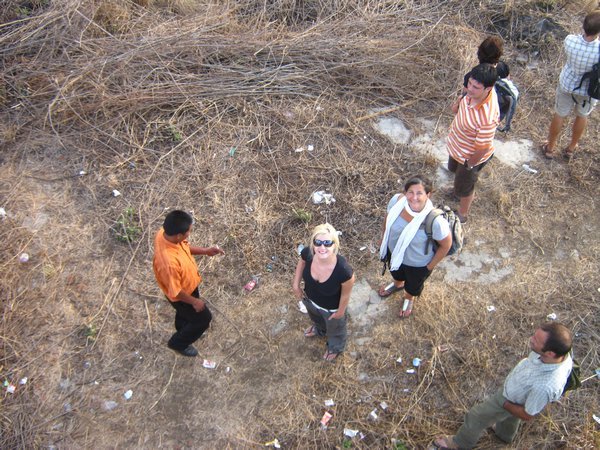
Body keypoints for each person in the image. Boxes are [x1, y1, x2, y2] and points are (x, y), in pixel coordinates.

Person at [433, 322, 574, 449]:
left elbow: (527, 414)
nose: (531, 339)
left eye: (536, 340)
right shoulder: (563, 356)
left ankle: (459, 444)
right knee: (511, 418)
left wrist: (505, 404)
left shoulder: (544, 387)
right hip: (519, 394)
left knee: (476, 416)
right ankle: (504, 435)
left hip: (509, 399)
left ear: (549, 353)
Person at [153, 210, 225, 357]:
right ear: (179, 235)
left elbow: (184, 248)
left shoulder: (165, 234)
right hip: (183, 295)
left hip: (188, 286)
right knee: (204, 319)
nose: (189, 234)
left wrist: (205, 251)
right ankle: (178, 343)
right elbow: (176, 292)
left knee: (186, 316)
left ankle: (184, 328)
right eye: (188, 232)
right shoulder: (168, 263)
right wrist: (194, 301)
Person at [378, 176, 452, 317]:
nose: (414, 197)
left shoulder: (435, 221)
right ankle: (397, 284)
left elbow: (446, 245)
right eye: (410, 192)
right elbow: (387, 219)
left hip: (418, 264)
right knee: (396, 273)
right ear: (405, 193)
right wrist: (383, 239)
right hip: (395, 254)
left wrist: (429, 266)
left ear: (428, 195)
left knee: (413, 285)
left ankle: (409, 298)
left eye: (419, 193)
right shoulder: (396, 202)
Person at [292, 223, 355, 362]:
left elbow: (346, 294)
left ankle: (335, 347)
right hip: (310, 300)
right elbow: (301, 263)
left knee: (336, 329)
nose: (322, 247)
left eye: (327, 243)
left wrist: (340, 312)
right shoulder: (308, 254)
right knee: (316, 318)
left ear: (335, 245)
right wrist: (296, 284)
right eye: (318, 242)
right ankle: (320, 330)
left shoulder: (343, 270)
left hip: (331, 309)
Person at [542, 10, 600, 160]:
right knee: (582, 116)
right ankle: (571, 147)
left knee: (560, 114)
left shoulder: (570, 40)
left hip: (567, 84)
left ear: (583, 25)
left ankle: (550, 147)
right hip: (588, 90)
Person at [447, 63, 500, 223]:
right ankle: (457, 190)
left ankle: (463, 214)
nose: (469, 89)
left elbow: (482, 149)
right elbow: (458, 107)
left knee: (466, 186)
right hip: (457, 147)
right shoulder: (470, 94)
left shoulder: (487, 117)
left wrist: (469, 165)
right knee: (455, 174)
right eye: (469, 83)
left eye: (475, 87)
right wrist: (457, 104)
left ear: (488, 89)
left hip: (469, 157)